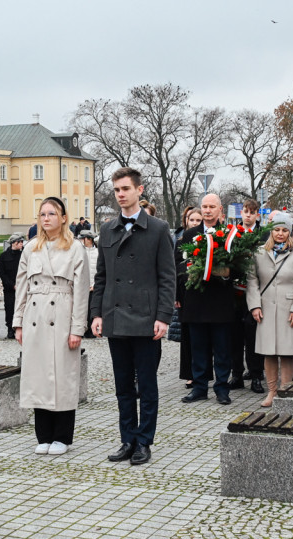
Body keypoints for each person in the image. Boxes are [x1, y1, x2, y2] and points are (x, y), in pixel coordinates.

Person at [91, 167, 175, 465]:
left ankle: (144, 441)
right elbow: (101, 277)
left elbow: (167, 277)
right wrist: (96, 313)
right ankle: (127, 438)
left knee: (147, 385)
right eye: (116, 190)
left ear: (139, 190)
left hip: (146, 317)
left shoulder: (158, 228)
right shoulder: (108, 230)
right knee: (123, 384)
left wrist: (163, 317)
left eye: (125, 189)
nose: (121, 195)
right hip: (115, 316)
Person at [13, 197, 89, 455]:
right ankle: (43, 435)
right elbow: (21, 286)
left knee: (63, 376)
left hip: (63, 315)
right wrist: (18, 323)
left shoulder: (75, 248)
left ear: (64, 217)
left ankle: (62, 437)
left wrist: (78, 328)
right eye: (43, 214)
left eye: (52, 214)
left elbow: (81, 291)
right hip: (35, 317)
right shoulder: (31, 247)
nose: (46, 218)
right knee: (37, 377)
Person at [178, 194, 236, 405]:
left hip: (221, 301)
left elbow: (237, 267)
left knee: (222, 349)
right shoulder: (190, 234)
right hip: (196, 300)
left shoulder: (229, 235)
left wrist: (226, 272)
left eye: (212, 207)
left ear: (221, 210)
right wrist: (191, 272)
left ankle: (222, 388)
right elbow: (180, 265)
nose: (208, 210)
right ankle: (200, 387)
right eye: (204, 206)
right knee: (198, 348)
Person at [246, 218, 293, 407]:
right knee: (269, 352)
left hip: (288, 309)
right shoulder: (259, 253)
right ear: (271, 232)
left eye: (284, 230)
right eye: (276, 230)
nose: (280, 233)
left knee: (287, 352)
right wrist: (255, 305)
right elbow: (252, 280)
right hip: (265, 308)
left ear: (290, 232)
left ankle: (285, 391)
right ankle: (272, 391)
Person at [231, 199, 265, 393]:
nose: (248, 215)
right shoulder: (232, 234)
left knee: (253, 336)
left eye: (252, 212)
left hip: (255, 292)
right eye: (245, 211)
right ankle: (236, 374)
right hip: (235, 292)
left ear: (257, 215)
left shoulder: (263, 235)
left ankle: (256, 375)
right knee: (234, 336)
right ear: (241, 213)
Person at [175, 208, 203, 387]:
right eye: (191, 219)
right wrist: (176, 295)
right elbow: (175, 269)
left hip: (202, 293)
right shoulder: (180, 242)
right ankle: (188, 373)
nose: (194, 222)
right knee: (186, 335)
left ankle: (202, 370)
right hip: (184, 292)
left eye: (198, 220)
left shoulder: (206, 241)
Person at [0, 233, 25, 338]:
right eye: (20, 242)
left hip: (22, 287)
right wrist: (12, 285)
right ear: (14, 243)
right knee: (9, 309)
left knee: (23, 309)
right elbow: (2, 273)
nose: (22, 244)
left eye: (22, 242)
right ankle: (10, 329)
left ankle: (21, 329)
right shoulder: (4, 256)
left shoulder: (23, 255)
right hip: (9, 288)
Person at [79, 230, 98, 338]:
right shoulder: (80, 252)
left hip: (93, 287)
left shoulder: (98, 252)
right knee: (81, 309)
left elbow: (100, 271)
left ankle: (91, 331)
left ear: (89, 239)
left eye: (83, 238)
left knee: (92, 309)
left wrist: (94, 284)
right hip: (81, 286)